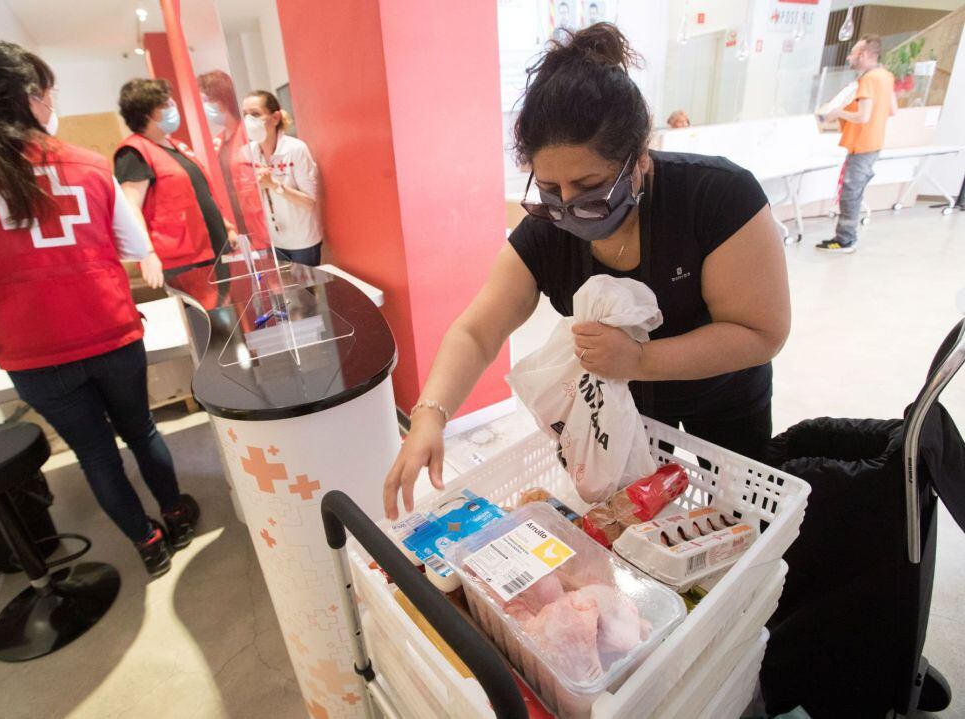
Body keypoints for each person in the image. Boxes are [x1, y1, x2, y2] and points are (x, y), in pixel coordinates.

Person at [383, 24, 790, 519]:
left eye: (590, 184)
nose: (570, 207)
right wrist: (431, 414)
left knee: (735, 521)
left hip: (723, 395)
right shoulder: (547, 232)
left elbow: (760, 332)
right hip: (623, 410)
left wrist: (639, 360)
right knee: (629, 525)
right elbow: (476, 331)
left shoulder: (718, 197)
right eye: (552, 188)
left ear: (638, 159)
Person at [0, 39, 199, 577]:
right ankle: (177, 511)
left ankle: (147, 543)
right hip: (110, 327)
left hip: (33, 349)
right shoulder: (90, 163)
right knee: (142, 432)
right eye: (48, 91)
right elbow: (135, 245)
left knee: (95, 453)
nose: (52, 101)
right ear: (27, 95)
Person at [115, 78, 237, 269]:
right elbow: (131, 207)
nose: (172, 107)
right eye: (164, 104)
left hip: (213, 248)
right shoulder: (134, 151)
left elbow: (200, 193)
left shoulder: (176, 145)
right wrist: (147, 252)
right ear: (146, 113)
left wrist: (225, 226)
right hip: (182, 258)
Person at [818, 35, 896, 254]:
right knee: (855, 191)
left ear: (863, 55)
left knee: (850, 193)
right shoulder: (886, 76)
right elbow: (892, 109)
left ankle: (845, 239)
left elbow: (863, 116)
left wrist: (837, 113)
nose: (850, 57)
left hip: (862, 144)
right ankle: (845, 237)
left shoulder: (869, 79)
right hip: (873, 142)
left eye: (853, 52)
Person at [243, 90, 324, 266]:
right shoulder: (248, 153)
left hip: (302, 241)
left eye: (255, 114)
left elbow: (309, 203)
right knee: (282, 291)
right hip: (273, 241)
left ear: (275, 118)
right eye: (245, 115)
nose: (248, 121)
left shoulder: (296, 149)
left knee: (305, 293)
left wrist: (273, 185)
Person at [198, 70, 269, 248]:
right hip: (237, 223)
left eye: (206, 100)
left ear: (219, 99)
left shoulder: (248, 133)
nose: (204, 107)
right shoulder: (219, 141)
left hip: (262, 222)